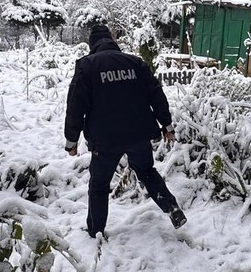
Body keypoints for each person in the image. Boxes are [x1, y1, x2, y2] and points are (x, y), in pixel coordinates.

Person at [64, 25, 187, 238]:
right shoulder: (135, 62)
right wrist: (166, 125)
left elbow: (76, 105)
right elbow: (156, 95)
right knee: (147, 171)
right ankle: (172, 207)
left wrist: (71, 140)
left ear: (92, 44)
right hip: (138, 133)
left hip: (105, 138)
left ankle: (96, 230)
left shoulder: (87, 66)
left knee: (99, 184)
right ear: (112, 41)